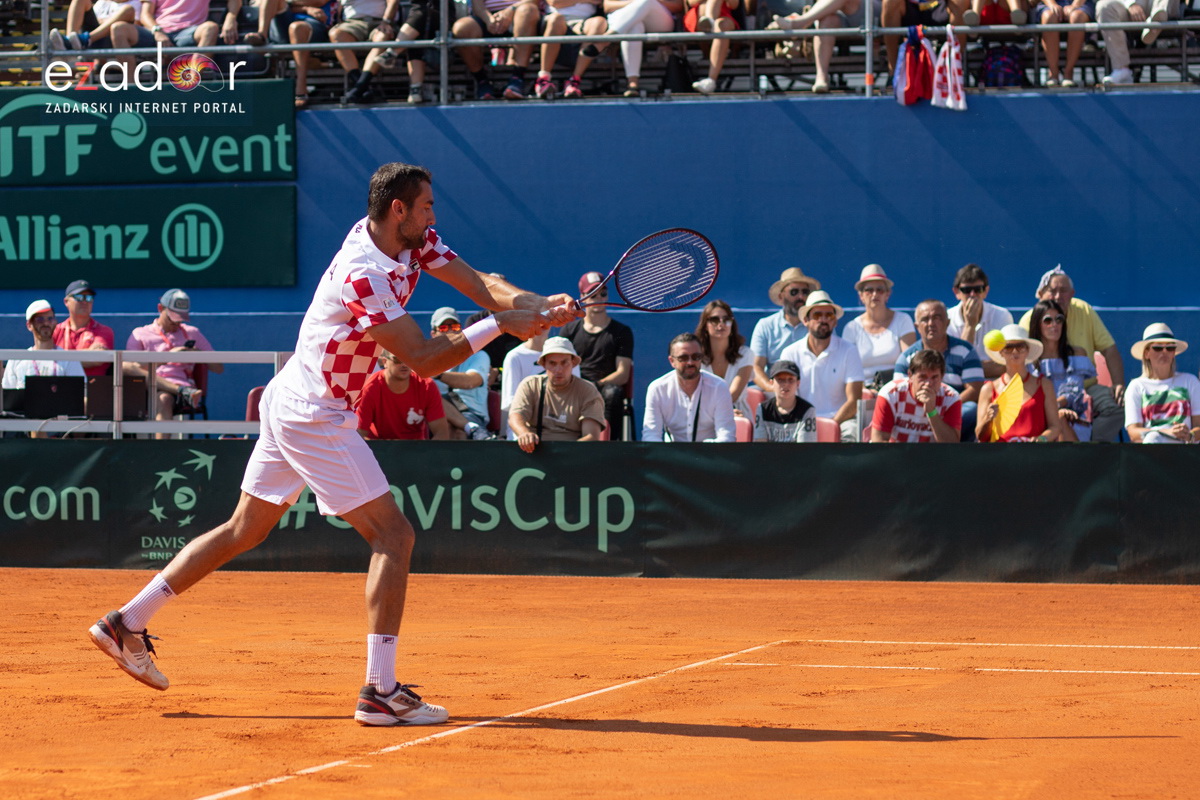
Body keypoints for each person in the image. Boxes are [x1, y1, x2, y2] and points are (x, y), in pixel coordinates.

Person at [87, 162, 579, 727]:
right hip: (314, 413)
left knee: (244, 529)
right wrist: (499, 327)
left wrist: (536, 305)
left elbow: (480, 281)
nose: (433, 216)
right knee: (394, 536)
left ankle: (124, 621)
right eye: (426, 207)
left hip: (291, 394)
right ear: (399, 210)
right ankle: (380, 690)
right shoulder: (362, 273)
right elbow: (422, 358)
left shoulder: (407, 239)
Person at [1018, 266, 1124, 442]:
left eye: (1064, 290)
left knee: (1118, 406)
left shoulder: (1083, 313)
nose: (1058, 296)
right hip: (1040, 398)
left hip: (1083, 389)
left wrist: (1119, 383)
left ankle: (1093, 449)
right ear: (1040, 294)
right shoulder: (1027, 322)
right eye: (1052, 291)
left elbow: (1109, 349)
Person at [125, 289, 225, 440]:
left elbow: (219, 368)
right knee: (126, 369)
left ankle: (160, 453)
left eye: (181, 319)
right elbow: (132, 368)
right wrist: (167, 357)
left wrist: (199, 355)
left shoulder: (192, 333)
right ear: (160, 309)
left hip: (176, 394)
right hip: (145, 389)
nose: (177, 323)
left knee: (163, 398)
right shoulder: (140, 333)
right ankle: (182, 390)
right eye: (172, 318)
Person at [779, 290, 864, 442]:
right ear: (806, 320)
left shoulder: (849, 350)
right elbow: (786, 399)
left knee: (852, 432)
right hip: (801, 421)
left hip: (841, 421)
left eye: (829, 316)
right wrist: (810, 425)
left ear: (835, 322)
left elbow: (854, 401)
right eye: (817, 315)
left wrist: (831, 425)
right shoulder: (789, 353)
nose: (823, 320)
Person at [559, 271, 634, 439]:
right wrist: (582, 386)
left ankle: (606, 445)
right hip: (572, 388)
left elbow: (622, 374)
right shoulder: (569, 331)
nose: (598, 298)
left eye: (603, 294)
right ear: (582, 297)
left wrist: (595, 385)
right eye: (592, 294)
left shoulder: (622, 332)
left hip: (604, 389)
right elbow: (560, 364)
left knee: (613, 393)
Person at [896, 299, 984, 441]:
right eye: (925, 319)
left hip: (954, 410)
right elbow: (899, 392)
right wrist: (926, 408)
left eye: (937, 318)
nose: (931, 323)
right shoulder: (906, 357)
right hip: (915, 412)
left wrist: (944, 407)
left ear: (947, 322)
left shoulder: (965, 350)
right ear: (917, 326)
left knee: (972, 409)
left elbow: (975, 388)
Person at [343, 0, 450, 104]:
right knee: (415, 32)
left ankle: (392, 53)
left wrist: (386, 21)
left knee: (421, 13)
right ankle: (414, 89)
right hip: (414, 24)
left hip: (438, 17)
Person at [509, 337, 605, 451]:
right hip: (535, 453)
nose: (559, 369)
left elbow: (591, 436)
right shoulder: (530, 385)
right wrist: (524, 434)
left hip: (574, 456)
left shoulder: (588, 390)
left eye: (564, 363)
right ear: (544, 364)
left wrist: (562, 454)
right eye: (552, 363)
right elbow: (515, 417)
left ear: (573, 363)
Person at [643, 333, 736, 442]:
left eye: (696, 357)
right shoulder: (657, 389)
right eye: (683, 358)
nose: (690, 362)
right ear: (672, 361)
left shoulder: (719, 387)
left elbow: (727, 437)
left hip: (710, 455)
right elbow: (651, 436)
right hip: (672, 456)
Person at [771, 0, 880, 93]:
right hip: (841, 12)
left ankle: (800, 23)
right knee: (828, 20)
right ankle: (821, 77)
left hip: (875, 10)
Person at [977, 324, 1061, 443]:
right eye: (1009, 347)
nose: (1015, 351)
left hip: (1034, 455)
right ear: (1001, 352)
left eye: (1020, 346)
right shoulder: (988, 389)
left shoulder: (1044, 385)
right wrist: (988, 419)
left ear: (1027, 350)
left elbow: (1055, 427)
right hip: (1000, 456)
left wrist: (1042, 439)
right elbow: (980, 435)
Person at [840, 264, 916, 391]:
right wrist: (863, 391)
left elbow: (911, 362)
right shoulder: (851, 328)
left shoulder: (903, 320)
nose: (875, 294)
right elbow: (847, 370)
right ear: (861, 296)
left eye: (880, 290)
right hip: (863, 394)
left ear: (888, 294)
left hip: (897, 391)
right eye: (869, 290)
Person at [1028, 298, 1094, 442]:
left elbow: (1073, 392)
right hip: (1038, 415)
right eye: (1047, 320)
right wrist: (1051, 411)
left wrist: (1054, 409)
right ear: (1036, 324)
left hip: (1073, 417)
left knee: (1061, 418)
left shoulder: (1077, 354)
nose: (1054, 325)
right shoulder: (1028, 358)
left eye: (1059, 319)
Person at [1123, 323, 1200, 444]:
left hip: (1185, 452)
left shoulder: (1190, 381)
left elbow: (1198, 426)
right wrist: (1165, 432)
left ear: (1174, 353)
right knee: (1153, 438)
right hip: (1152, 451)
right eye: (1158, 348)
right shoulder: (1136, 386)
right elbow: (1133, 433)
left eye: (1170, 348)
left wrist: (1189, 435)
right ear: (1146, 353)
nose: (1164, 352)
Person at [452, 0, 542, 100]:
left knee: (528, 11)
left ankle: (518, 78)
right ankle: (482, 81)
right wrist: (489, 19)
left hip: (521, 13)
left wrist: (510, 10)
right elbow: (477, 6)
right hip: (487, 18)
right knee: (462, 28)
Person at [749, 267, 821, 391]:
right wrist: (772, 388)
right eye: (794, 292)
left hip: (812, 388)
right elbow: (755, 366)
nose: (800, 297)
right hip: (776, 389)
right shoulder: (765, 325)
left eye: (805, 292)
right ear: (781, 296)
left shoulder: (820, 324)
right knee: (752, 393)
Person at [257, 0, 339, 108]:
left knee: (297, 28)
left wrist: (293, 3)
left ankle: (301, 88)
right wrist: (306, 8)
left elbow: (318, 2)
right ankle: (261, 35)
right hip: (286, 23)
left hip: (316, 24)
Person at [870, 348, 962, 443]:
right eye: (922, 377)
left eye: (934, 377)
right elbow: (879, 441)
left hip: (932, 456)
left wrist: (931, 411)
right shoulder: (891, 394)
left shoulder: (951, 398)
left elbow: (952, 445)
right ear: (910, 376)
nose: (928, 383)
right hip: (896, 454)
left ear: (942, 377)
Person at [428, 307, 492, 440]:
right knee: (444, 426)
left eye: (455, 327)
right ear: (433, 333)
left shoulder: (478, 355)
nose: (450, 331)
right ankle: (471, 429)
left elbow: (472, 381)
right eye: (444, 328)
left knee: (456, 432)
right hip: (435, 416)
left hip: (472, 413)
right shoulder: (426, 360)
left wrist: (437, 374)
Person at [355, 350, 448, 440]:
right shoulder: (370, 387)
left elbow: (442, 434)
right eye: (397, 360)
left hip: (417, 450)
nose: (404, 364)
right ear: (384, 362)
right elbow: (359, 434)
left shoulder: (427, 385)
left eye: (409, 360)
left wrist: (426, 454)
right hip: (380, 449)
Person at [602, 0, 683, 96]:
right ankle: (633, 84)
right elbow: (607, 6)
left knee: (647, 1)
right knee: (634, 26)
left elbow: (678, 6)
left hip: (658, 19)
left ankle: (604, 41)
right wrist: (635, 4)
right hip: (625, 19)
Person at [946, 263, 1012, 379]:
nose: (973, 295)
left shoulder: (1002, 315)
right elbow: (957, 365)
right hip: (962, 387)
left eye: (978, 289)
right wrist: (970, 325)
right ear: (957, 292)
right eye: (966, 290)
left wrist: (969, 369)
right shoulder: (947, 318)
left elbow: (1007, 364)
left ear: (986, 291)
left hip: (995, 385)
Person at [1, 299, 86, 390]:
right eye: (40, 319)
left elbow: (81, 396)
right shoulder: (16, 361)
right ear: (29, 325)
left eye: (50, 319)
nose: (46, 323)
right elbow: (8, 399)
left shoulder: (68, 359)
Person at [534, 0, 609, 99]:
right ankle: (543, 80)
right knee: (557, 19)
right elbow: (555, 2)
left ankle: (574, 81)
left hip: (582, 23)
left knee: (599, 22)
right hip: (553, 22)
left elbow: (599, 1)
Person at [332, 0, 401, 104]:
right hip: (352, 23)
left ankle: (360, 87)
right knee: (336, 35)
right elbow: (339, 6)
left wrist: (386, 22)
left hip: (381, 22)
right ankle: (363, 87)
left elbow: (393, 2)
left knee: (382, 37)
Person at [695, 299, 755, 416]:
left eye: (726, 319)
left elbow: (734, 394)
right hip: (704, 414)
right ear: (705, 325)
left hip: (738, 415)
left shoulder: (745, 354)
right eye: (714, 320)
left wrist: (722, 413)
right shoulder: (696, 356)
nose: (721, 324)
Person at [1097, 0, 1178, 85]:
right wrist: (1130, 3)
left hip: (1160, 5)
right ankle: (1122, 69)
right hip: (1129, 7)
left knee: (1160, 9)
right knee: (1104, 6)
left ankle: (1156, 19)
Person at [52, 279, 115, 378]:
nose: (85, 302)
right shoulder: (55, 330)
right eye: (79, 297)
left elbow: (98, 358)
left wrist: (61, 358)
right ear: (66, 301)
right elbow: (47, 360)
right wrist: (87, 355)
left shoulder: (104, 331)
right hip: (60, 388)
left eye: (89, 298)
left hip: (94, 388)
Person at [683, 0, 741, 95]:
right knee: (704, 11)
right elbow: (691, 2)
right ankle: (709, 20)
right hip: (699, 17)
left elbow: (734, 5)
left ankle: (711, 79)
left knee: (722, 27)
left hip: (723, 18)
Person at [752, 359, 818, 442]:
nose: (786, 384)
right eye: (780, 380)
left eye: (790, 380)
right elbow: (760, 446)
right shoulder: (762, 409)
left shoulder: (807, 410)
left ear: (798, 383)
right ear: (772, 383)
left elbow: (805, 449)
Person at [141, 0, 243, 50]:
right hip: (156, 32)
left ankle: (191, 82)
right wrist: (157, 32)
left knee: (210, 28)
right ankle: (131, 86)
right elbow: (145, 14)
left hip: (189, 33)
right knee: (124, 29)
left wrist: (231, 18)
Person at [1034, 0, 1093, 86]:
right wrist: (1052, 4)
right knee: (1049, 17)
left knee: (1077, 17)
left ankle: (1068, 73)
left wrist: (1075, 5)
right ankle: (1053, 74)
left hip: (1081, 4)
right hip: (1049, 4)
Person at [49, 0, 140, 50]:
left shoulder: (135, 2)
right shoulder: (103, 2)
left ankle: (84, 40)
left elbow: (133, 27)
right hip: (96, 35)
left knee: (128, 10)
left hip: (115, 37)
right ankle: (71, 42)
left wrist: (106, 21)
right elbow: (96, 21)